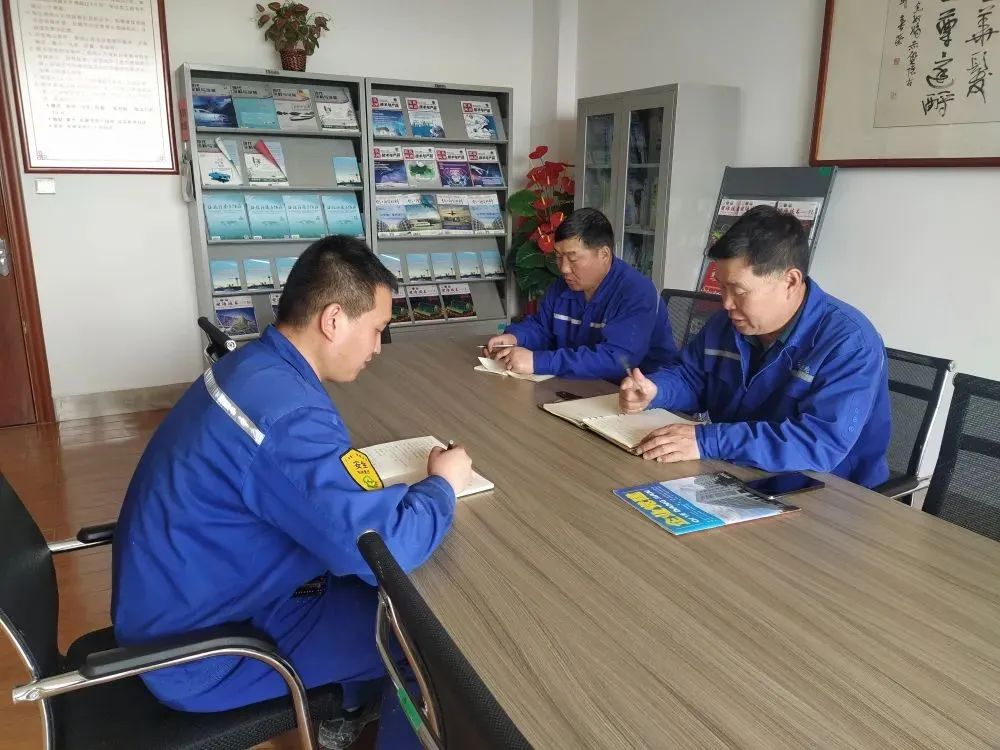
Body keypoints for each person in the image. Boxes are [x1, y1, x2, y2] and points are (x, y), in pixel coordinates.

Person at [111, 236, 472, 750]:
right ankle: (362, 707)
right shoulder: (288, 415)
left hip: (186, 603)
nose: (377, 348)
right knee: (426, 646)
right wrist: (442, 485)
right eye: (377, 330)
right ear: (333, 320)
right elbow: (381, 551)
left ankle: (345, 709)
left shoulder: (254, 366)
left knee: (378, 600)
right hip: (204, 654)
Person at [619, 205, 891, 489]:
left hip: (824, 490)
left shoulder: (849, 343)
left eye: (739, 290)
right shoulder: (727, 323)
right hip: (735, 470)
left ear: (790, 281)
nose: (726, 303)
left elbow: (818, 445)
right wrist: (656, 390)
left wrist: (709, 441)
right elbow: (692, 377)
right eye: (722, 287)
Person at [483, 207, 677, 380]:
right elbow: (542, 327)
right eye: (558, 257)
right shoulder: (563, 286)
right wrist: (515, 338)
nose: (564, 268)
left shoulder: (637, 292)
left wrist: (538, 361)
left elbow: (616, 359)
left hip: (638, 397)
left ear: (604, 254)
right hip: (581, 387)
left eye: (572, 259)